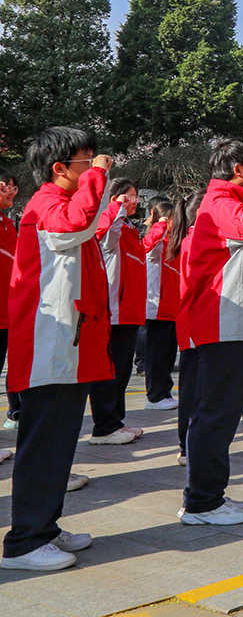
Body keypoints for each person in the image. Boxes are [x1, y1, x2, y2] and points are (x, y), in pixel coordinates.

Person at [2, 127, 113, 571]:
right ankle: (24, 542)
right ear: (59, 168)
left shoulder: (59, 202)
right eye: (87, 160)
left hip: (67, 344)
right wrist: (98, 177)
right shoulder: (46, 205)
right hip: (48, 346)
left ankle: (44, 528)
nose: (96, 165)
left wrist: (95, 179)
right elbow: (77, 224)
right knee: (43, 446)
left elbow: (88, 219)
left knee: (59, 444)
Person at [178, 139, 243, 525]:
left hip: (232, 323)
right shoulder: (220, 201)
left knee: (221, 413)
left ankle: (210, 495)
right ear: (239, 169)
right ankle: (202, 502)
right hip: (223, 324)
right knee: (216, 413)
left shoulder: (228, 201)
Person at [86, 179, 147, 445]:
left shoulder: (131, 230)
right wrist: (116, 207)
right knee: (109, 371)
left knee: (122, 371)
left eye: (135, 196)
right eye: (129, 196)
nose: (134, 201)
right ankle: (104, 427)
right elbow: (108, 233)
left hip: (130, 312)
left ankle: (116, 422)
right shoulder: (112, 226)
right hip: (114, 312)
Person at [140, 199, 180, 409]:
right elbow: (148, 245)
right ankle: (155, 396)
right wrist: (161, 223)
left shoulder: (172, 244)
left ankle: (164, 392)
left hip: (171, 308)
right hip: (156, 308)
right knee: (157, 355)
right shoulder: (156, 244)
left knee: (168, 354)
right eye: (172, 219)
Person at [173, 191, 203, 466]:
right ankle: (188, 445)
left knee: (193, 389)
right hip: (197, 326)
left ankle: (189, 444)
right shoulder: (195, 241)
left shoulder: (191, 239)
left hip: (194, 325)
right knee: (194, 391)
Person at [0, 167, 21, 439]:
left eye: (13, 186)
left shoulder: (8, 225)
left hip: (8, 312)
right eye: (5, 185)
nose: (11, 191)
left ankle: (16, 413)